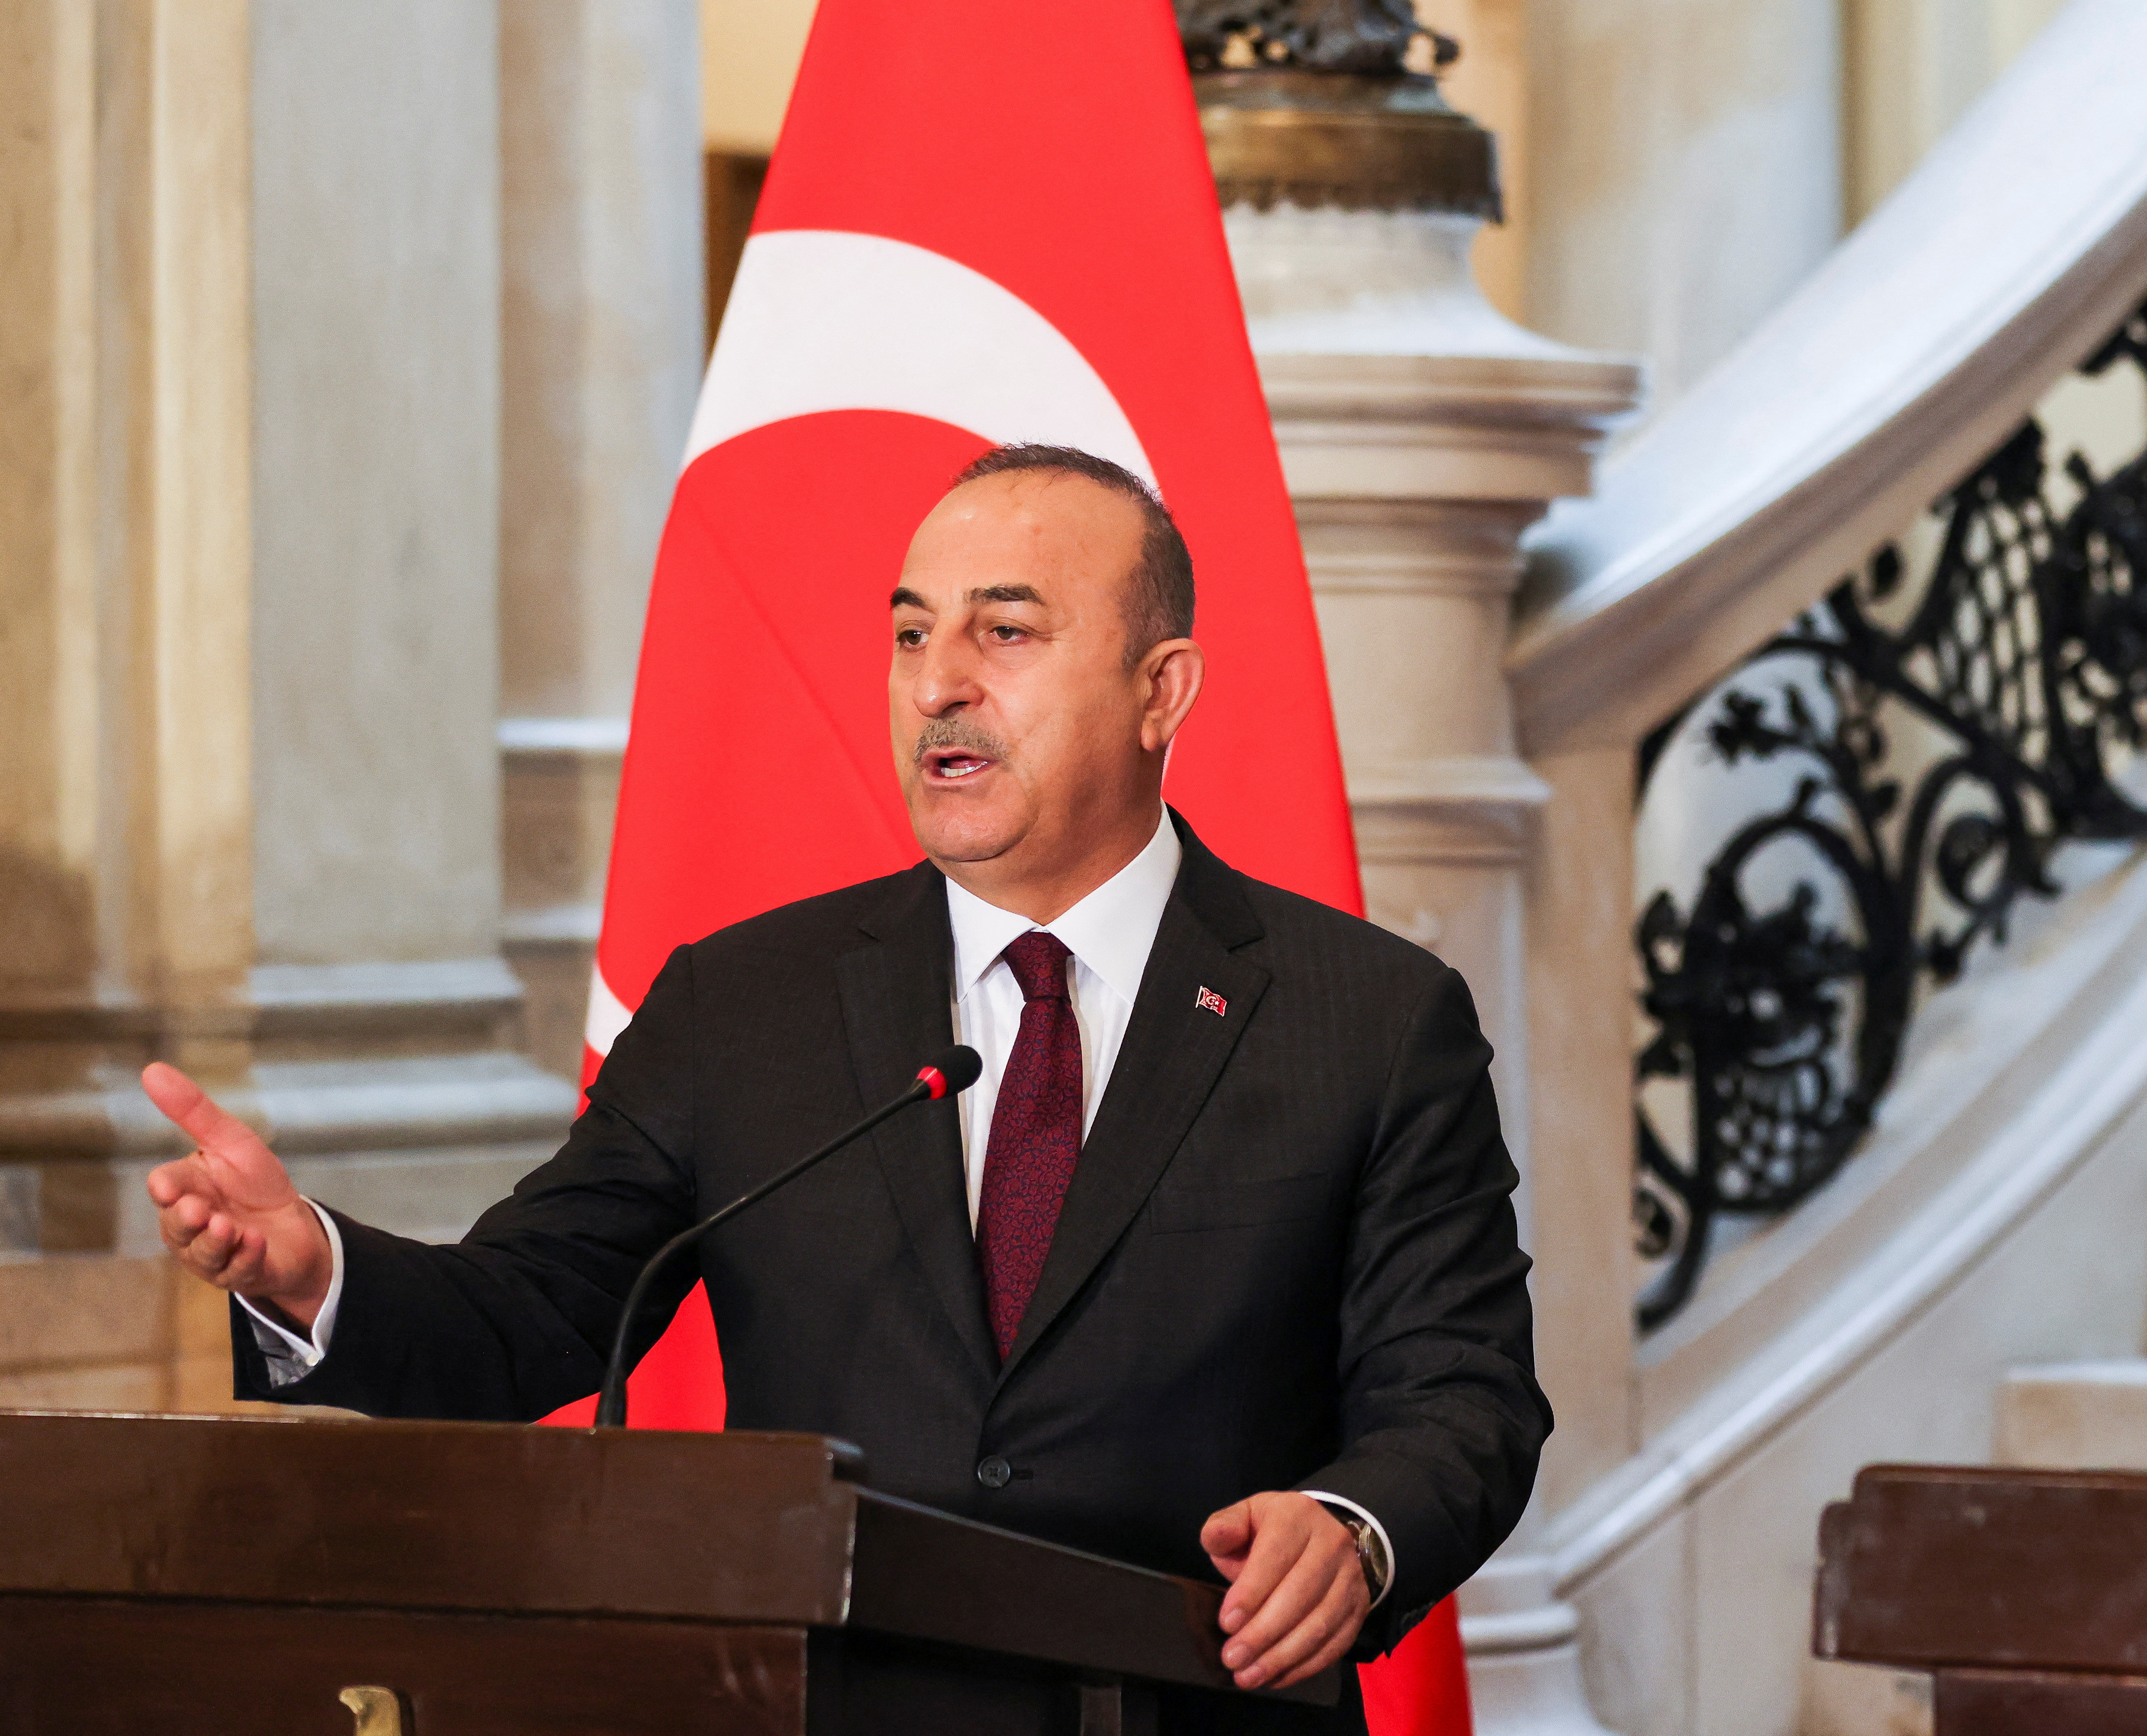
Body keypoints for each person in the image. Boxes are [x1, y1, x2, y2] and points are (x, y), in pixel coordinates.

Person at [143, 444, 1548, 1731]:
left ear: (1159, 689)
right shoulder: (745, 1002)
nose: (937, 685)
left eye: (1004, 632)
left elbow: (1462, 1396)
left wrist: (1351, 1526)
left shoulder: (1366, 1018)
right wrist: (313, 1269)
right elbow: (535, 1308)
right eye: (910, 634)